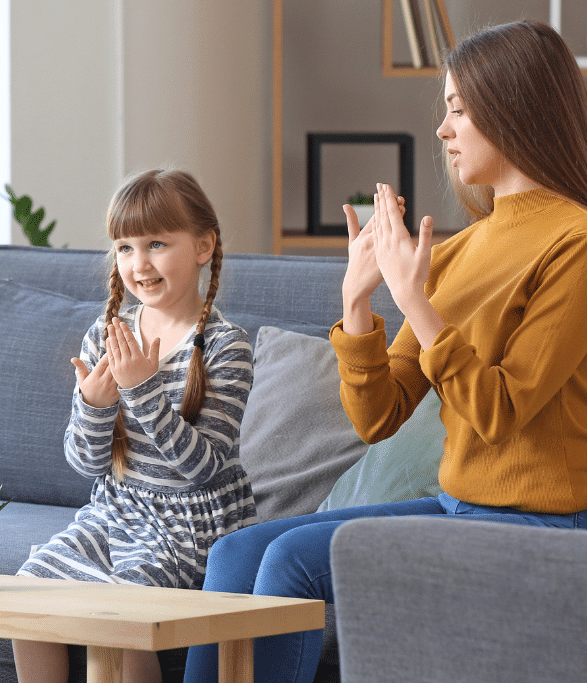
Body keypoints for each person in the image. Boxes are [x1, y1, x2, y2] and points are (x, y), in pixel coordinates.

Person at [182, 18, 587, 683]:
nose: (443, 128)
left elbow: (500, 409)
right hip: (460, 508)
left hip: (545, 525)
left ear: (512, 106)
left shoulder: (574, 242)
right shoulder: (459, 252)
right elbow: (379, 414)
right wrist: (358, 301)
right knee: (234, 552)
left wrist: (416, 300)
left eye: (459, 108)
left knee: (291, 562)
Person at [11, 169, 256, 683]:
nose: (138, 263)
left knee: (116, 613)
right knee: (29, 591)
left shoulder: (224, 347)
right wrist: (95, 405)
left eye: (157, 243)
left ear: (203, 246)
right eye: (124, 247)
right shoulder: (105, 337)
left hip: (191, 528)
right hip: (116, 511)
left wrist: (143, 391)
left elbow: (203, 469)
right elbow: (85, 463)